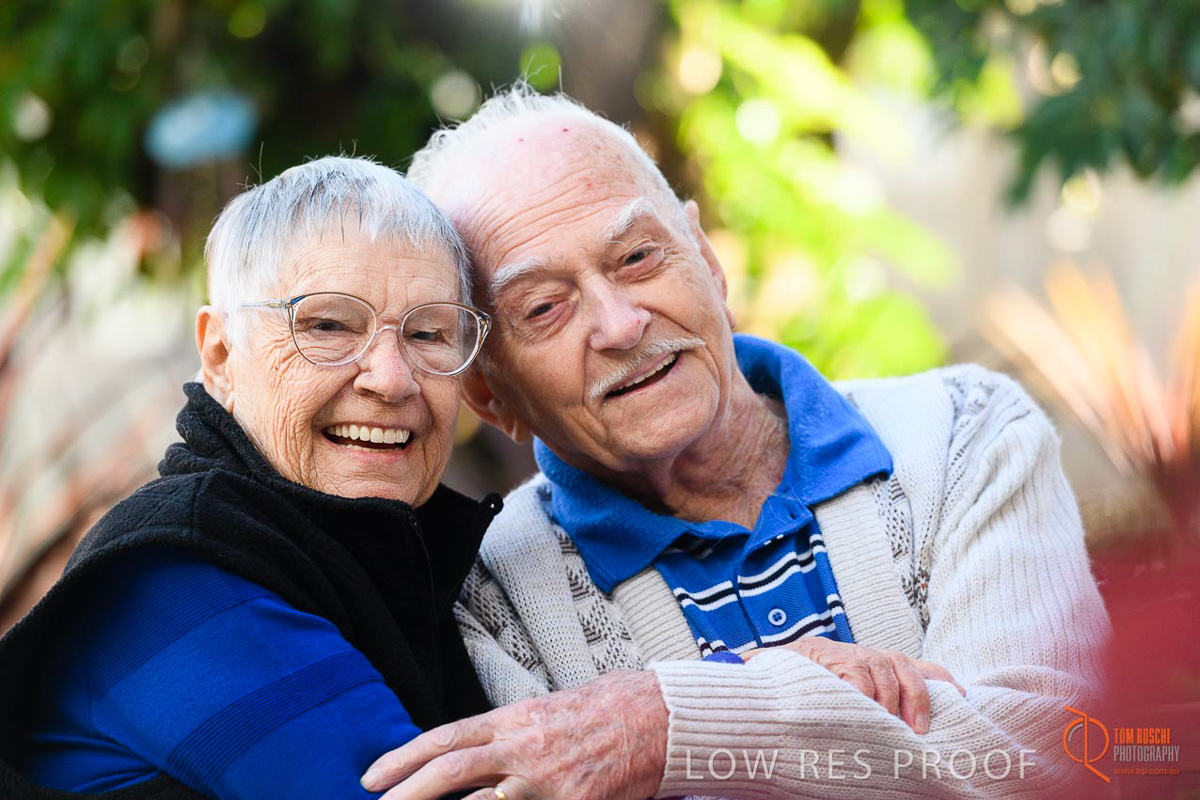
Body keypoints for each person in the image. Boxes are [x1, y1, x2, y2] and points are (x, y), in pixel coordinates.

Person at [359, 90, 1112, 799]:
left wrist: (665, 725)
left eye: (637, 258)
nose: (621, 325)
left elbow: (1066, 753)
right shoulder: (492, 597)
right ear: (489, 395)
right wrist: (832, 710)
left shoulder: (965, 432)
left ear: (707, 259)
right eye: (545, 307)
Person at [0, 156, 501, 799]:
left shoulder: (409, 567)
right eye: (327, 326)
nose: (392, 379)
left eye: (429, 333)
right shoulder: (177, 582)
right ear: (220, 355)